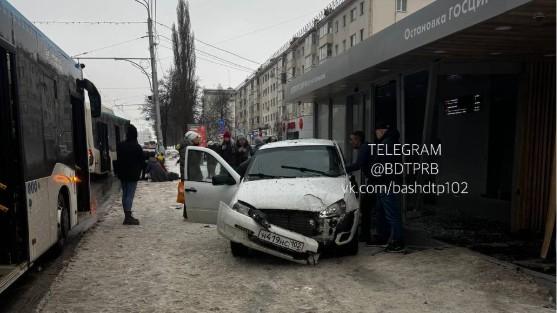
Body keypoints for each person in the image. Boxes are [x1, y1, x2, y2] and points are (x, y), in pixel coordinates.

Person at [372, 122, 404, 253]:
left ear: (382, 130)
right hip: (388, 183)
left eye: (377, 130)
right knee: (383, 212)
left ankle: (397, 241)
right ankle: (385, 237)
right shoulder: (391, 143)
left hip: (386, 184)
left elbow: (384, 167)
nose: (376, 133)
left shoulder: (386, 144)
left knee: (391, 214)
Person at [345, 131, 373, 244]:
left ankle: (366, 235)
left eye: (352, 140)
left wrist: (343, 169)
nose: (351, 142)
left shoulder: (364, 148)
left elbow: (358, 165)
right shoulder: (366, 147)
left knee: (366, 208)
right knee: (368, 208)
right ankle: (366, 234)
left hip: (375, 182)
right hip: (374, 181)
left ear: (358, 139)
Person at [115, 125, 144, 225]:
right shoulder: (137, 147)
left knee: (125, 194)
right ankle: (128, 217)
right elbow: (142, 161)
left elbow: (117, 159)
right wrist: (142, 172)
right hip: (133, 175)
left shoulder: (120, 145)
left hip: (123, 174)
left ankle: (126, 214)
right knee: (129, 195)